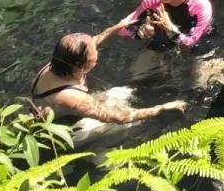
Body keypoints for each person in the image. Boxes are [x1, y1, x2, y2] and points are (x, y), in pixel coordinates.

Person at [31, 32, 186, 126]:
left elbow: (92, 41)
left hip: (64, 113)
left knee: (120, 94)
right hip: (70, 132)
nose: (96, 52)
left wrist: (117, 27)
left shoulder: (56, 64)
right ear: (83, 66)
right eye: (94, 55)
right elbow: (121, 118)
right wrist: (162, 108)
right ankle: (102, 153)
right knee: (128, 124)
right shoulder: (72, 98)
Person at [111, 0, 219, 79]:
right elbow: (123, 30)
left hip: (199, 43)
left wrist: (171, 30)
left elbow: (190, 45)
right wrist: (140, 32)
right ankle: (164, 68)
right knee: (135, 75)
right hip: (164, 37)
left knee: (196, 83)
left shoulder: (201, 7)